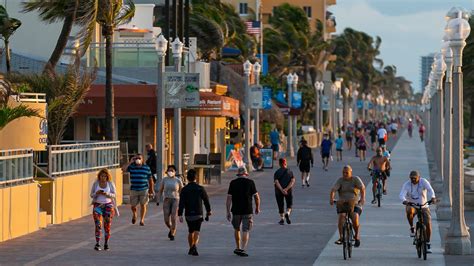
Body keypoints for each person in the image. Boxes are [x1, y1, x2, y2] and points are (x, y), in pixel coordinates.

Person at [226, 167, 261, 257]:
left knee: (236, 228)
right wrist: (257, 207)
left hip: (236, 210)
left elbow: (229, 198)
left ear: (238, 174)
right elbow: (256, 197)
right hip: (247, 210)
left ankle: (238, 247)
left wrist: (228, 211)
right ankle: (243, 249)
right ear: (246, 174)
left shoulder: (233, 183)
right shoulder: (250, 182)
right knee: (245, 229)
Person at [399, 170, 436, 253]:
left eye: (415, 178)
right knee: (409, 210)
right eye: (411, 178)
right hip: (412, 205)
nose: (413, 180)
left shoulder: (424, 182)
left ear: (419, 177)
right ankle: (412, 228)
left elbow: (430, 190)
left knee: (428, 224)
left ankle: (428, 243)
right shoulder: (407, 184)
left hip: (424, 206)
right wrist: (405, 201)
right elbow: (401, 194)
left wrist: (433, 197)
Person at [330, 165, 366, 247]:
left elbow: (362, 188)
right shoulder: (340, 180)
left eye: (347, 172)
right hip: (343, 203)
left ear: (351, 172)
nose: (345, 174)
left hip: (355, 203)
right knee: (341, 217)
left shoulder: (355, 179)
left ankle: (357, 236)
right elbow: (333, 190)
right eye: (343, 173)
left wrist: (363, 198)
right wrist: (331, 198)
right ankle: (341, 237)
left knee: (354, 217)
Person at [178, 169, 212, 256]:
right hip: (198, 213)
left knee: (190, 231)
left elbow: (181, 202)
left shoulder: (184, 190)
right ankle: (194, 246)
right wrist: (208, 211)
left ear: (187, 178)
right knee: (197, 231)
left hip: (188, 214)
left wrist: (180, 214)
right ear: (195, 178)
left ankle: (191, 248)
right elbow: (206, 200)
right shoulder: (200, 188)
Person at [90, 169, 119, 251]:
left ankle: (106, 243)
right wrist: (97, 193)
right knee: (98, 224)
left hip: (108, 206)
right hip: (97, 205)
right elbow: (91, 195)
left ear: (107, 177)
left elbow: (114, 194)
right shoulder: (96, 184)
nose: (103, 178)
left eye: (105, 176)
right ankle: (97, 243)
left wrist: (107, 194)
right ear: (99, 176)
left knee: (107, 225)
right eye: (102, 176)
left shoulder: (110, 184)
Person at [122, 154, 154, 226]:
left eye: (139, 158)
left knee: (143, 204)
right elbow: (123, 169)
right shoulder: (132, 167)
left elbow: (150, 179)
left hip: (144, 189)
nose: (138, 159)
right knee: (133, 206)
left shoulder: (146, 168)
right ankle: (134, 214)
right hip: (134, 189)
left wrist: (151, 190)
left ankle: (142, 220)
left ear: (142, 159)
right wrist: (130, 162)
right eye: (136, 158)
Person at [157, 165, 184, 241]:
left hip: (175, 199)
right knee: (166, 219)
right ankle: (171, 228)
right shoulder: (164, 180)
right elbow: (160, 190)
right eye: (169, 170)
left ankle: (172, 233)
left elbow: (182, 191)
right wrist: (158, 200)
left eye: (172, 171)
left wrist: (183, 200)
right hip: (166, 200)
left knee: (173, 217)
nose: (170, 172)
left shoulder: (178, 180)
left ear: (175, 172)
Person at [274, 158, 296, 225]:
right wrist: (286, 189)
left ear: (279, 164)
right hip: (288, 191)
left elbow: (276, 182)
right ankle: (287, 213)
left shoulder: (277, 172)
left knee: (280, 204)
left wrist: (282, 190)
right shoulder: (290, 171)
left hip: (278, 191)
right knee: (289, 204)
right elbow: (292, 181)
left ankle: (282, 219)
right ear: (285, 163)